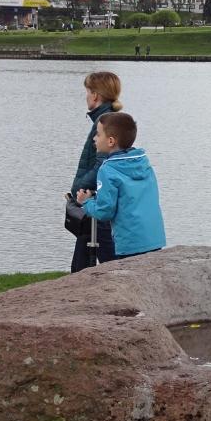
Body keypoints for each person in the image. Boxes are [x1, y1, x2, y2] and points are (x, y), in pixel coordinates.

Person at [76, 112, 166, 259]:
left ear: (110, 141)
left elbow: (104, 212)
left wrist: (86, 202)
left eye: (98, 134)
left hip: (130, 243)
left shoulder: (107, 170)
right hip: (154, 239)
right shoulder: (143, 163)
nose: (94, 138)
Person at [70, 71, 122, 272]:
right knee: (82, 258)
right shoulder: (107, 118)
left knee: (107, 259)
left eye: (87, 92)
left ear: (95, 95)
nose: (86, 96)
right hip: (93, 199)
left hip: (95, 200)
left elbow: (102, 163)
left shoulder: (104, 122)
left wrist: (81, 187)